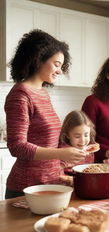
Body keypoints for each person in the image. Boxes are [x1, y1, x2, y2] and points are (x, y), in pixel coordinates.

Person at [4, 29, 87, 199]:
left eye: (61, 66)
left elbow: (47, 142)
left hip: (52, 184)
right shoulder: (20, 95)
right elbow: (17, 146)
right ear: (38, 59)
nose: (60, 71)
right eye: (57, 64)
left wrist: (69, 154)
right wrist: (61, 153)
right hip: (27, 188)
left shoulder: (42, 92)